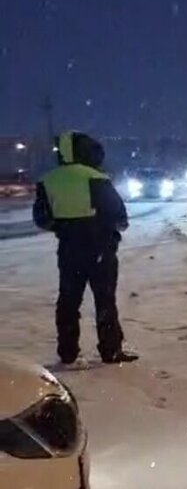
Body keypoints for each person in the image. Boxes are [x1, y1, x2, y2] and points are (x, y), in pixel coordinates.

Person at [33, 131, 137, 364]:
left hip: (69, 250)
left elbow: (42, 218)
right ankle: (110, 349)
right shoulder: (96, 178)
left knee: (68, 301)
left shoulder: (48, 180)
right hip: (100, 248)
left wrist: (65, 226)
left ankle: (68, 351)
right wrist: (105, 226)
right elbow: (119, 215)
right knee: (104, 300)